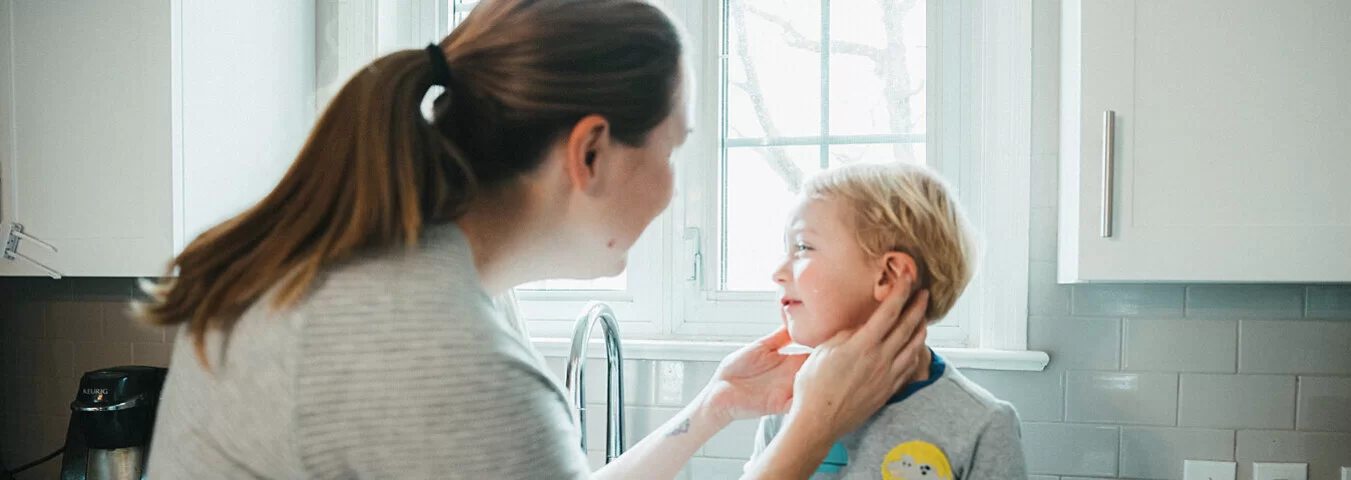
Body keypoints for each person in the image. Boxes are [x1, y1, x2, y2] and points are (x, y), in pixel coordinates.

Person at [139, 0, 931, 478]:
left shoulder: (401, 277)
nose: (673, 185)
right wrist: (811, 432)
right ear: (589, 153)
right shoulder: (448, 354)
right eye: (671, 150)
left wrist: (715, 408)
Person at [750, 163, 1026, 479]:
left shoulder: (982, 424)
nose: (778, 272)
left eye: (802, 247)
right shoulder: (793, 403)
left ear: (888, 274)